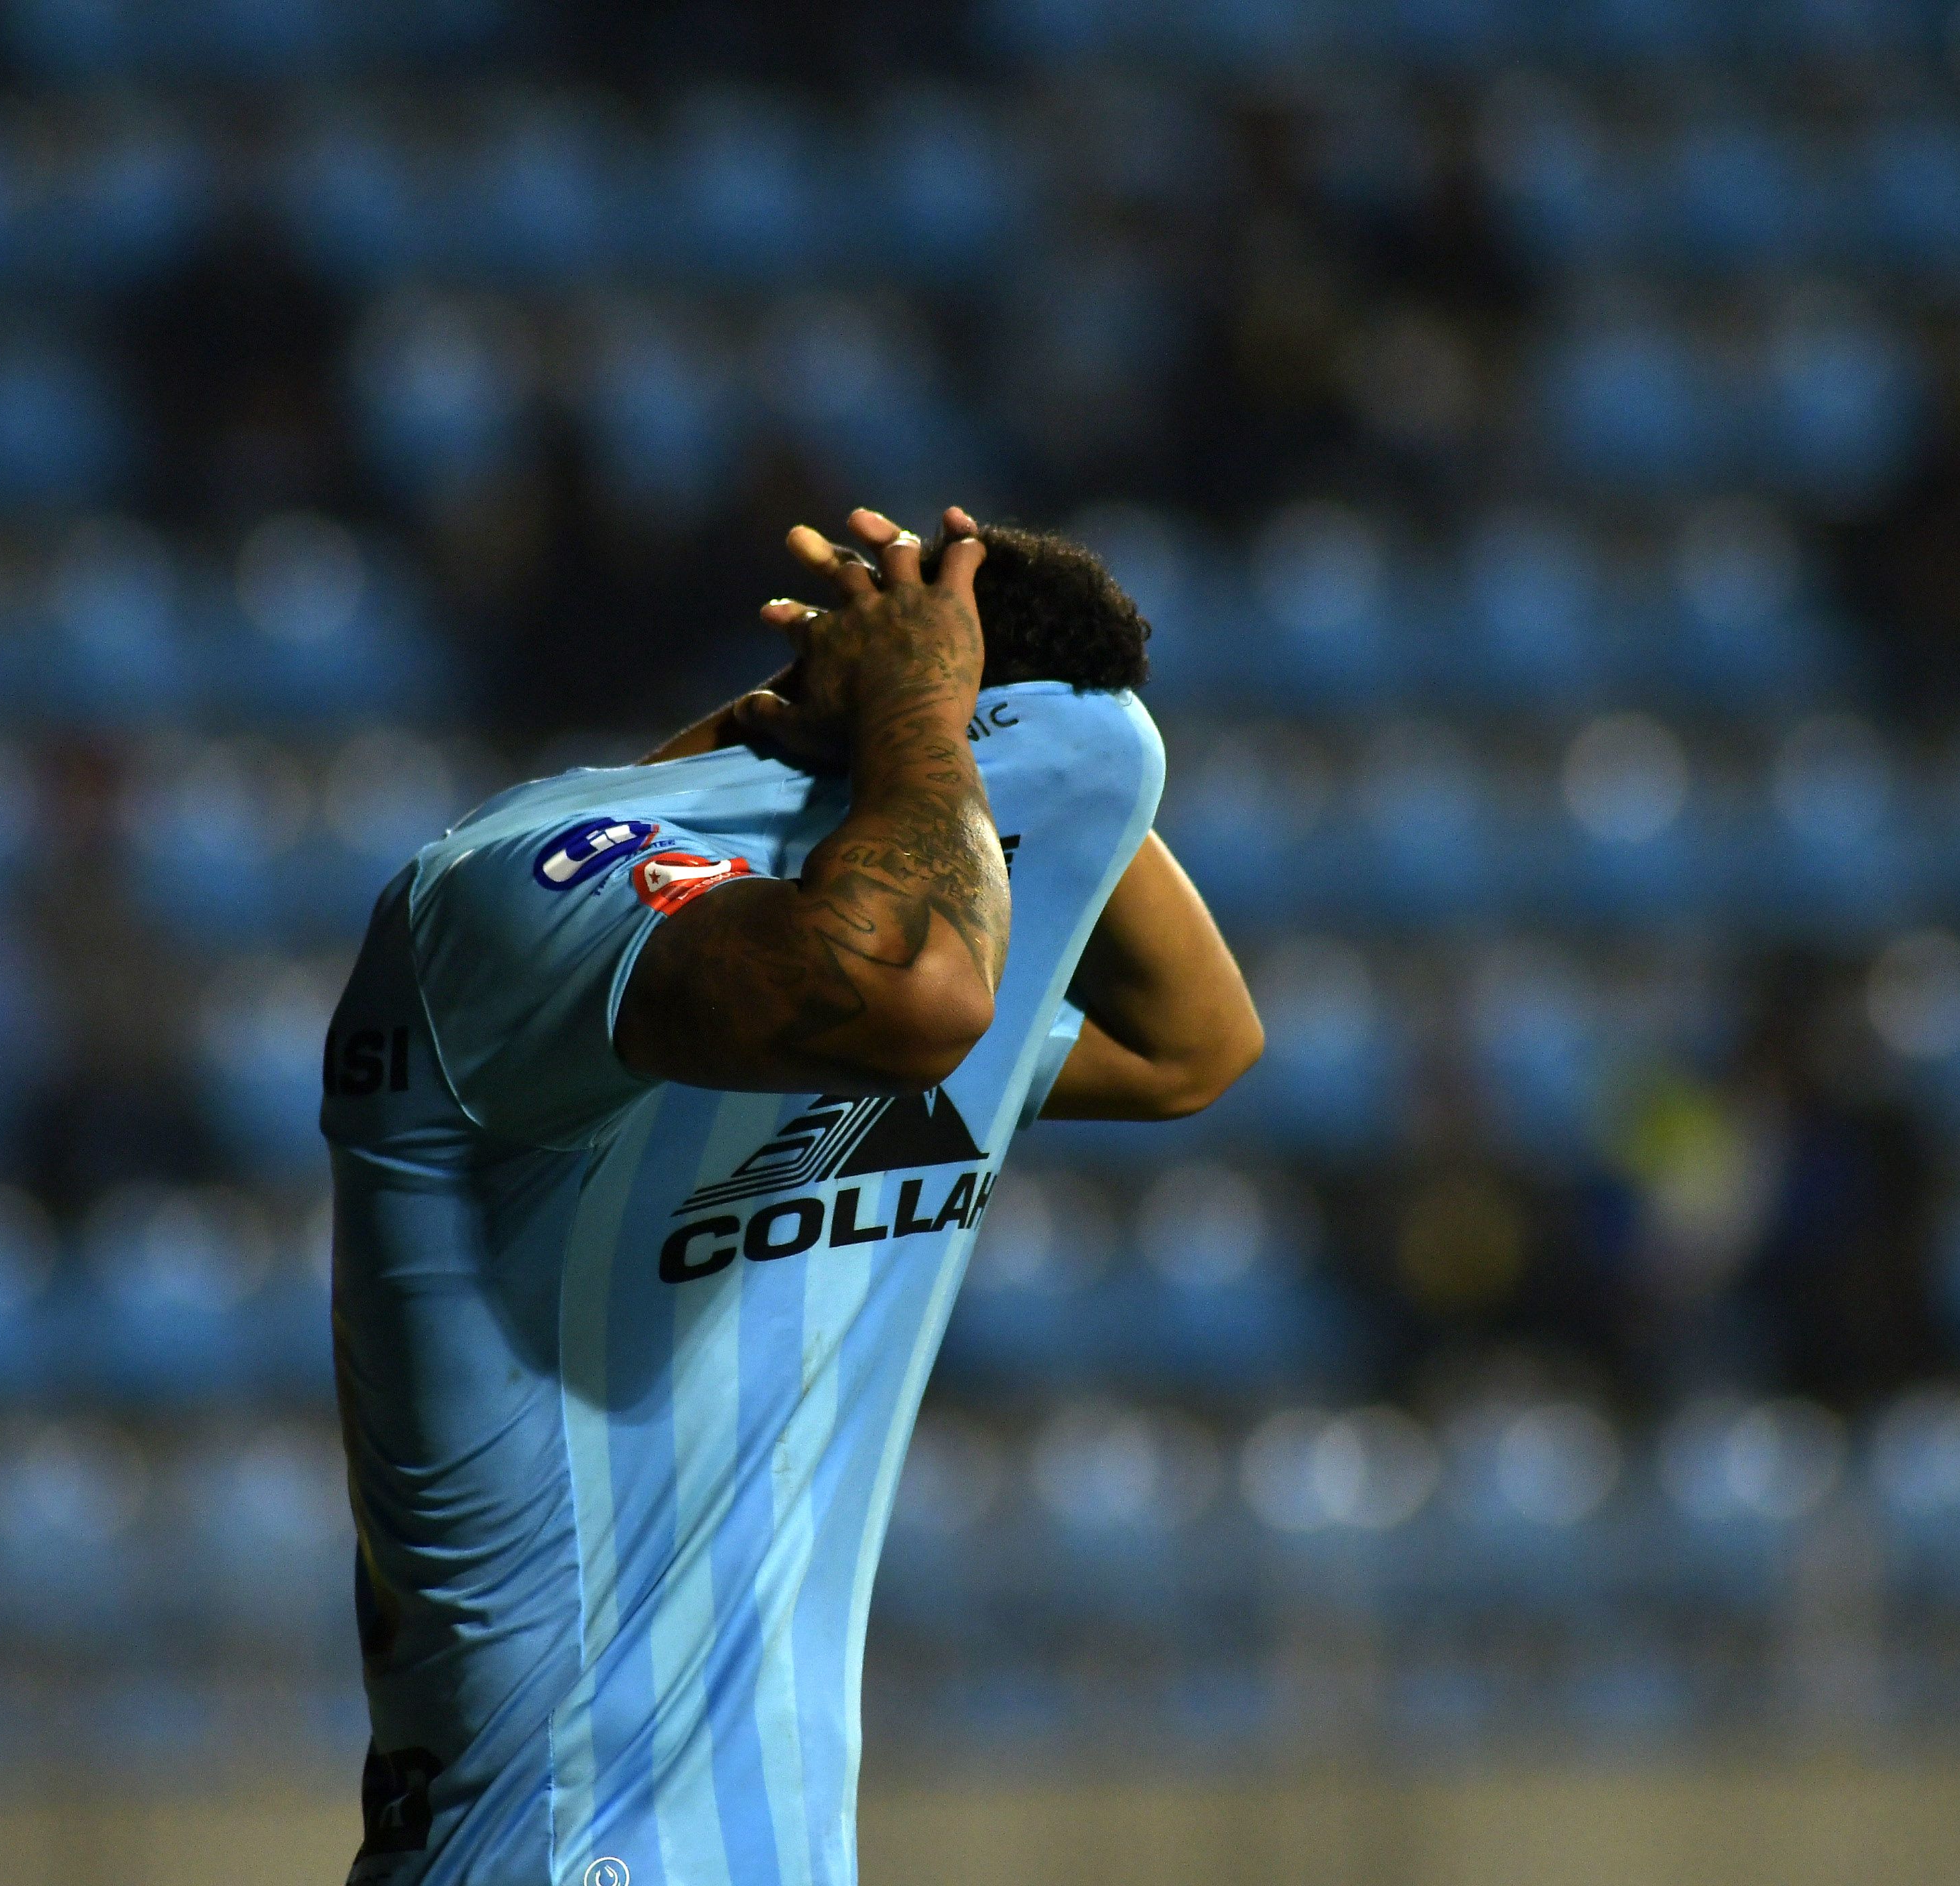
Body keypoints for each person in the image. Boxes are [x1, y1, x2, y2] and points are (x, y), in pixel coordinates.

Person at [321, 505, 1262, 1886]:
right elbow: (920, 990)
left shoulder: (844, 957)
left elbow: (1195, 1045)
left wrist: (1039, 760)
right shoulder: (533, 888)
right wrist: (935, 722)